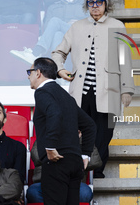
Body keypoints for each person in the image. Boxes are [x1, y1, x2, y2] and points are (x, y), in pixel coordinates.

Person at [52, 0, 135, 178]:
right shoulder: (77, 27)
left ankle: (97, 170)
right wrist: (60, 69)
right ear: (86, 5)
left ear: (106, 3)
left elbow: (125, 59)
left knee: (104, 134)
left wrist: (127, 89)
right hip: (80, 91)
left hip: (109, 90)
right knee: (80, 133)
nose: (95, 6)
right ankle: (80, 172)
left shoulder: (118, 26)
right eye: (91, 3)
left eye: (99, 2)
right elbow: (58, 52)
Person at [28, 57, 96, 204]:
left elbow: (54, 112)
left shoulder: (42, 92)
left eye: (30, 71)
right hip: (74, 163)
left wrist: (50, 147)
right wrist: (85, 155)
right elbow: (90, 125)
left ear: (38, 73)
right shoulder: (66, 96)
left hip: (56, 162)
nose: (28, 76)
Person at [10, 0, 87, 62]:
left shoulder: (85, 5)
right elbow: (47, 30)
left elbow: (93, 26)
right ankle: (59, 71)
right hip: (63, 41)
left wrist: (78, 23)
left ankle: (35, 53)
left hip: (81, 38)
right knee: (57, 35)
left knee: (55, 22)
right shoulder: (53, 7)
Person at [26, 140, 93, 203]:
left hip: (73, 182)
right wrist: (52, 149)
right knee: (33, 192)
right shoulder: (46, 135)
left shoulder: (85, 137)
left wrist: (77, 142)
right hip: (45, 182)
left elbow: (95, 161)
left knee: (85, 193)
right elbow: (36, 156)